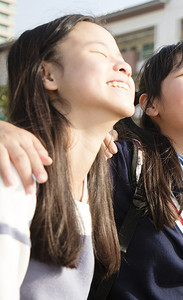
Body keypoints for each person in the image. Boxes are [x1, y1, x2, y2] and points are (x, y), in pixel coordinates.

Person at [0, 14, 136, 299]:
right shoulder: (15, 170)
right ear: (48, 75)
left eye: (122, 58)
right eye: (100, 53)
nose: (125, 66)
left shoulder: (92, 188)